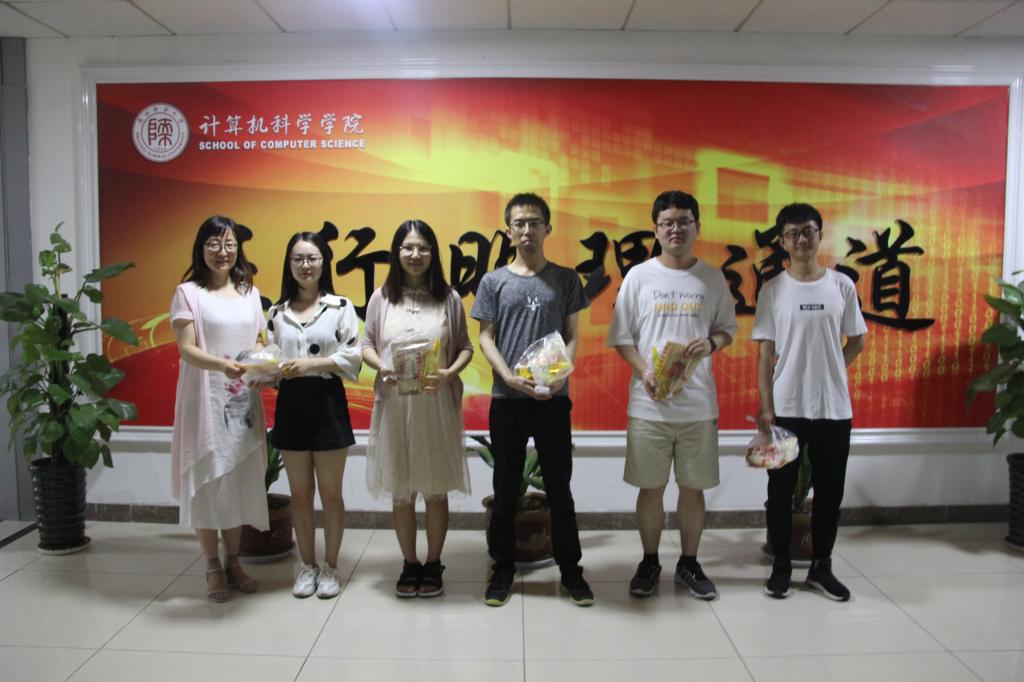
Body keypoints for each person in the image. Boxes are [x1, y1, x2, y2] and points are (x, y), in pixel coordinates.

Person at [607, 190, 737, 601]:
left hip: (698, 405)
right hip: (649, 405)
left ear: (697, 226)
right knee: (650, 488)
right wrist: (644, 370)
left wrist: (711, 343)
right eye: (667, 223)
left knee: (693, 488)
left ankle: (689, 563)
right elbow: (621, 337)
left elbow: (727, 329)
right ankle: (649, 562)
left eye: (683, 221)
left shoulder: (712, 278)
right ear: (656, 229)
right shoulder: (638, 277)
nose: (675, 229)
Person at [470, 192, 593, 608]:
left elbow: (572, 335)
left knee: (560, 488)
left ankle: (571, 571)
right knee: (505, 487)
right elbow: (485, 337)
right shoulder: (493, 282)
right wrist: (507, 376)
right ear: (509, 231)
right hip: (508, 398)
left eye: (534, 222)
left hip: (553, 399)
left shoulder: (565, 279)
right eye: (519, 223)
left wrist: (560, 376)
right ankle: (502, 569)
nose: (527, 230)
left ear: (547, 228)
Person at [753, 203, 867, 601]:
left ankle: (821, 566)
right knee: (779, 492)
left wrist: (832, 368)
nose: (801, 239)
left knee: (830, 492)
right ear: (783, 241)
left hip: (834, 409)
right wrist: (766, 406)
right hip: (786, 408)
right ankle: (782, 566)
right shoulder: (772, 290)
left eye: (808, 231)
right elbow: (765, 356)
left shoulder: (841, 286)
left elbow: (857, 340)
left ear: (820, 235)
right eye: (793, 233)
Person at [362, 220, 473, 598]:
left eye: (423, 247)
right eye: (408, 247)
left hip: (435, 405)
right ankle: (410, 563)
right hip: (395, 406)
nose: (415, 254)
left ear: (433, 253)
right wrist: (382, 366)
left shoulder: (449, 298)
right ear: (397, 252)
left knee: (436, 491)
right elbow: (366, 345)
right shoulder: (382, 298)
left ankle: (434, 563)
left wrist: (448, 373)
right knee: (402, 492)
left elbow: (465, 347)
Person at [170, 215, 268, 602]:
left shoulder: (249, 292)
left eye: (228, 244)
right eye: (213, 244)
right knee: (210, 481)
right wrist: (221, 365)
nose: (222, 252)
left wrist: (262, 362)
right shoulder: (188, 293)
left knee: (237, 480)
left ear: (238, 249)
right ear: (201, 248)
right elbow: (186, 349)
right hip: (205, 400)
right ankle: (212, 564)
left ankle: (234, 562)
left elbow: (259, 340)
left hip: (242, 401)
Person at [266, 231, 361, 599]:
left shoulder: (340, 307)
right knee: (300, 495)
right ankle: (307, 565)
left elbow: (352, 357)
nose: (305, 265)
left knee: (331, 495)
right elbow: (272, 361)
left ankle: (331, 567)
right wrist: (263, 372)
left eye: (312, 258)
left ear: (324, 262)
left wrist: (307, 365)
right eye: (298, 259)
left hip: (327, 402)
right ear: (289, 264)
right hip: (291, 404)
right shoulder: (277, 313)